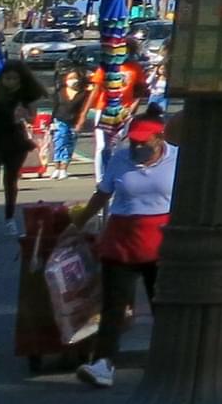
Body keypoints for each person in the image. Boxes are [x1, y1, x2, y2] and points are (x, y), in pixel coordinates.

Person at [70, 108, 174, 388]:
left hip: (160, 240)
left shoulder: (178, 159)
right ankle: (103, 363)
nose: (138, 146)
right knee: (114, 307)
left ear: (159, 137)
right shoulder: (119, 158)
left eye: (144, 141)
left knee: (161, 304)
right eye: (134, 141)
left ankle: (170, 361)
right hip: (122, 239)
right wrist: (77, 224)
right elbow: (103, 193)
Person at [0, 60, 40, 224]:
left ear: (20, 80)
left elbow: (32, 118)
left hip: (16, 141)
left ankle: (9, 217)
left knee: (10, 181)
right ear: (1, 79)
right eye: (7, 78)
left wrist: (24, 114)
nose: (10, 82)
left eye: (14, 79)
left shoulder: (26, 96)